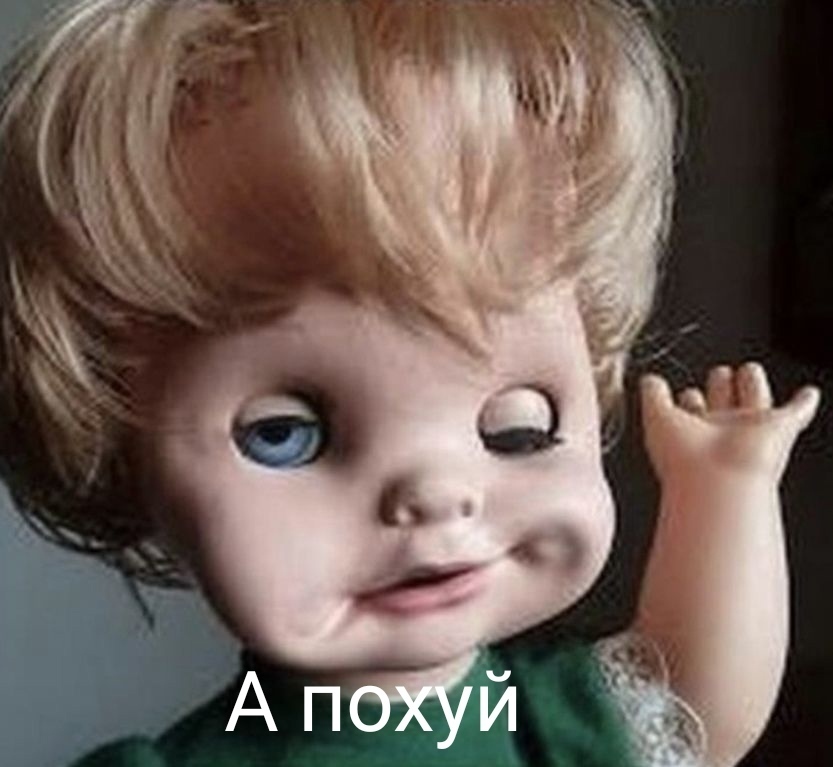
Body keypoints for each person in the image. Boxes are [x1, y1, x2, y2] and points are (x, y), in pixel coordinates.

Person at [0, 1, 819, 765]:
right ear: (118, 445)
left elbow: (697, 708)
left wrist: (726, 490)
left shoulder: (533, 715)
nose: (434, 493)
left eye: (517, 427)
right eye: (284, 434)